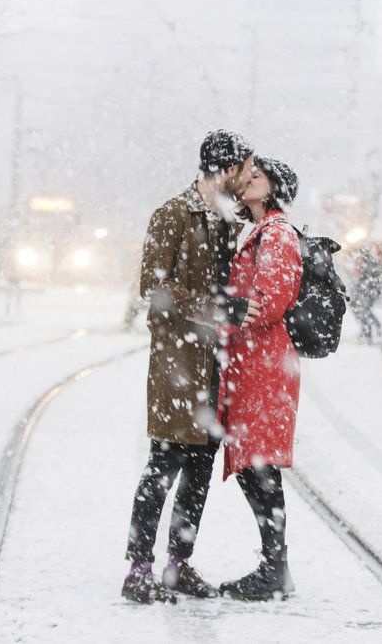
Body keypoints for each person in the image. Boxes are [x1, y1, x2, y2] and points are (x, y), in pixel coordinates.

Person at [122, 130, 260, 604]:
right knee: (163, 465)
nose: (247, 179)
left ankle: (178, 566)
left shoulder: (226, 221)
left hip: (215, 365)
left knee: (200, 470)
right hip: (177, 364)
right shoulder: (172, 215)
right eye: (244, 169)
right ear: (224, 169)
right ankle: (139, 568)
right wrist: (219, 309)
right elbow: (153, 288)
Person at [216, 156, 303, 601]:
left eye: (258, 175)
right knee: (254, 464)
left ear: (273, 189)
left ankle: (275, 568)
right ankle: (274, 565)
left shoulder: (278, 233)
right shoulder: (254, 231)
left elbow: (268, 301)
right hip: (251, 362)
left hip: (265, 365)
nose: (248, 178)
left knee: (260, 464)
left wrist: (224, 312)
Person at [351, 242, 382, 343]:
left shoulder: (371, 262)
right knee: (357, 307)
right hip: (364, 289)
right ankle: (368, 329)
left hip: (368, 290)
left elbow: (371, 277)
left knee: (365, 309)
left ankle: (370, 329)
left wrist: (367, 288)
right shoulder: (364, 261)